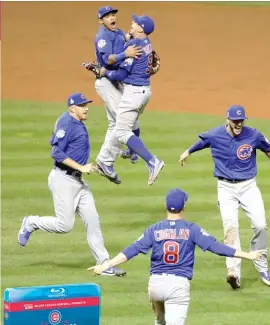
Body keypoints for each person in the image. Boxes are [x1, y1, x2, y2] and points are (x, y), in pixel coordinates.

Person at [87, 188, 265, 325]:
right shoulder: (191, 229)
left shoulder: (154, 229)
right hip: (178, 286)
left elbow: (131, 251)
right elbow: (217, 247)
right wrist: (247, 255)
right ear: (184, 207)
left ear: (166, 206)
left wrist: (106, 265)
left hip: (155, 285)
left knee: (159, 321)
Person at [178, 105, 270, 289]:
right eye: (235, 121)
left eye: (241, 120)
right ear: (227, 119)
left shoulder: (253, 135)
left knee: (260, 225)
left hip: (248, 186)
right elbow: (202, 142)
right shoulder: (215, 134)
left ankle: (261, 263)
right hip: (225, 187)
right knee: (230, 228)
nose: (239, 124)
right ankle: (233, 272)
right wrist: (187, 152)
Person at [17, 92, 126, 277]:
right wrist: (81, 167)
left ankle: (104, 264)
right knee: (64, 226)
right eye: (82, 105)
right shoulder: (67, 123)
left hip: (78, 181)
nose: (86, 108)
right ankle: (31, 223)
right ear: (72, 108)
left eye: (87, 105)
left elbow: (76, 153)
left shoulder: (76, 123)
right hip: (63, 180)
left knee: (93, 220)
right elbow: (56, 153)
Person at [94, 14, 164, 186]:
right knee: (128, 125)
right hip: (145, 91)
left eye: (135, 22)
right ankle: (131, 152)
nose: (131, 23)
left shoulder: (134, 44)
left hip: (133, 92)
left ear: (140, 28)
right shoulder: (146, 43)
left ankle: (152, 161)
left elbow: (122, 74)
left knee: (122, 130)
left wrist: (104, 72)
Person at [91, 6, 144, 184]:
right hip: (106, 82)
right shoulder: (102, 37)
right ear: (101, 21)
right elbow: (107, 60)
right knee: (123, 120)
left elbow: (127, 41)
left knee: (117, 122)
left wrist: (135, 39)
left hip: (116, 81)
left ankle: (121, 153)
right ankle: (105, 161)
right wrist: (125, 54)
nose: (112, 18)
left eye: (113, 15)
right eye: (108, 16)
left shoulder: (118, 32)